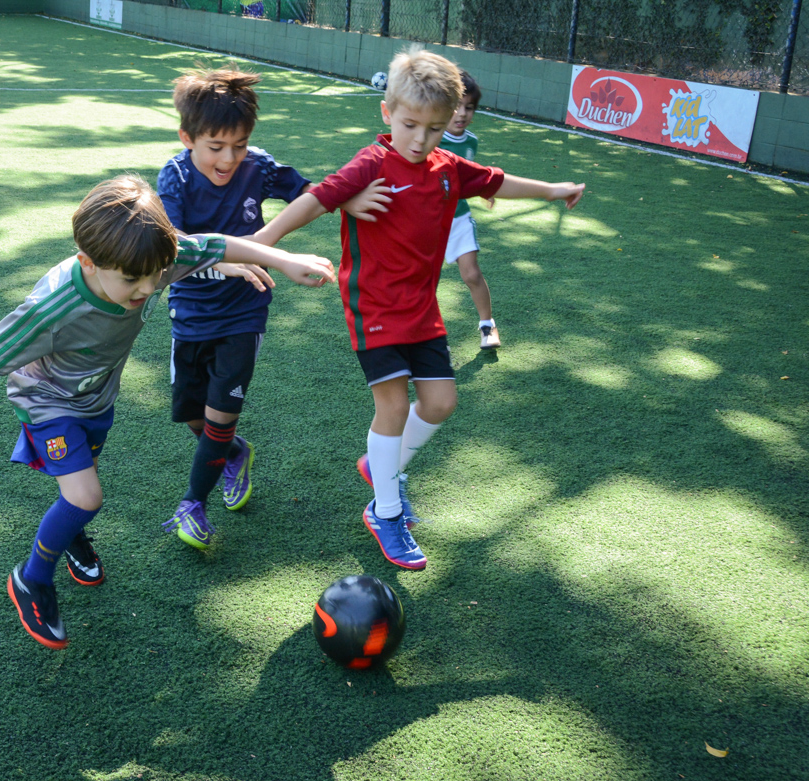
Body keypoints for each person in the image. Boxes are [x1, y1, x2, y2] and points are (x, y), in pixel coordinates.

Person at [0, 174, 334, 650]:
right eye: (131, 280)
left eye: (155, 275)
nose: (146, 288)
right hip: (48, 401)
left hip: (97, 399)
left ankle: (70, 534)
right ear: (89, 263)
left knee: (80, 492)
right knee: (85, 496)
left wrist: (284, 259)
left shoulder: (150, 261)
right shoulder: (54, 307)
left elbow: (215, 245)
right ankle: (32, 579)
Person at [252, 49, 584, 571]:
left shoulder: (447, 169)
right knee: (392, 408)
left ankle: (381, 467)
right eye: (409, 124)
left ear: (448, 122)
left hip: (422, 309)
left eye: (433, 128)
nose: (420, 139)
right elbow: (317, 199)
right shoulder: (371, 163)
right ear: (388, 113)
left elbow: (496, 181)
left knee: (441, 404)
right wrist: (263, 245)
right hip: (374, 306)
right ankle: (385, 510)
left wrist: (553, 190)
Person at [156, 66, 382, 549]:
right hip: (191, 312)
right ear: (187, 138)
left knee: (219, 417)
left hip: (244, 312)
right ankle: (236, 454)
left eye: (238, 145)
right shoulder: (173, 177)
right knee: (196, 420)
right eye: (216, 147)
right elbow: (171, 245)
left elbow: (307, 190)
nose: (229, 158)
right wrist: (227, 261)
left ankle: (191, 504)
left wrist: (350, 198)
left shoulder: (257, 165)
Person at [439, 70, 500, 349]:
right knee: (422, 281)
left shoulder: (471, 141)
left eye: (469, 107)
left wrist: (484, 189)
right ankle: (429, 339)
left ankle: (487, 326)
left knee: (471, 274)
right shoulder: (430, 136)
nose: (462, 114)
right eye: (456, 106)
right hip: (426, 222)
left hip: (458, 218)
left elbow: (469, 176)